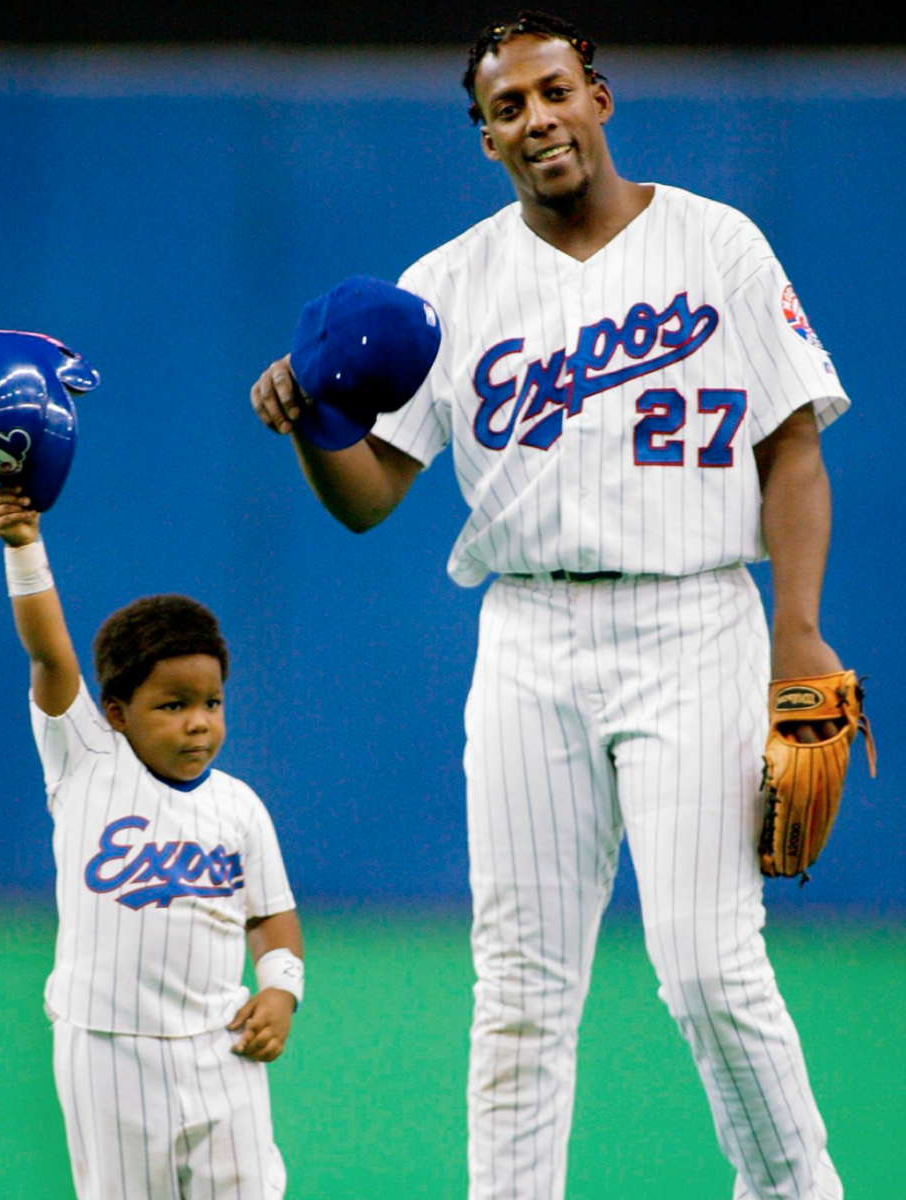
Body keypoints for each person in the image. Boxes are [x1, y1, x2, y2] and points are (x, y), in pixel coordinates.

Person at [249, 11, 849, 1199]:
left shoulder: (716, 243)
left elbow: (793, 450)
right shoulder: (447, 286)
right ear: (486, 138)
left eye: (555, 90)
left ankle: (796, 1189)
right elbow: (372, 497)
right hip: (530, 638)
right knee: (521, 987)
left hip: (696, 620)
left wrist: (798, 628)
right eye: (509, 107)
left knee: (709, 968)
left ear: (599, 97)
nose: (538, 118)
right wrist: (315, 426)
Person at [0, 484, 303, 1200]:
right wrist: (24, 547)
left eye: (212, 702)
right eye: (173, 704)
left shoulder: (239, 806)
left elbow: (271, 914)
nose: (199, 722)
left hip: (222, 1047)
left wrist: (282, 990)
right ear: (116, 713)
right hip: (107, 1053)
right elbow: (49, 654)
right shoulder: (86, 763)